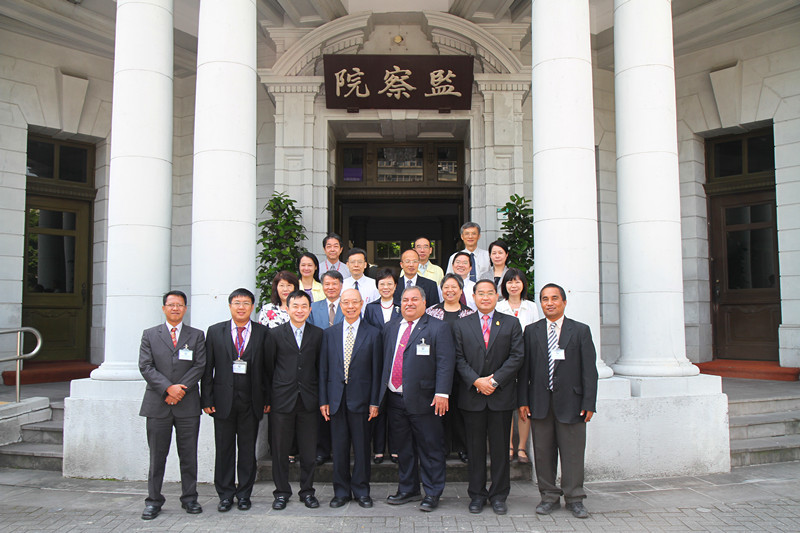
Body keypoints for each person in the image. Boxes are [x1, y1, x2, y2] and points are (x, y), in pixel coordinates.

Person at [517, 283, 598, 519]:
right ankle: (548, 497)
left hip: (573, 403)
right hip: (539, 402)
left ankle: (574, 498)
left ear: (564, 302)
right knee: (543, 453)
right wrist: (523, 400)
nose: (549, 303)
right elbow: (524, 370)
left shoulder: (580, 330)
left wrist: (589, 403)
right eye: (545, 299)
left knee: (573, 453)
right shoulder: (531, 331)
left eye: (554, 298)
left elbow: (589, 371)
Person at [378, 286, 455, 512]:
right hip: (395, 398)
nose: (409, 303)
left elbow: (445, 362)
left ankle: (432, 492)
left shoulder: (438, 327)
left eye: (414, 299)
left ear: (424, 302)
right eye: (405, 300)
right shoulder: (390, 327)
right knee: (403, 449)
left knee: (430, 448)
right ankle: (408, 489)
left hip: (426, 399)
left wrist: (442, 393)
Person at [452, 280, 524, 515]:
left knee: (501, 450)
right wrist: (476, 381)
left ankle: (499, 495)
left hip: (500, 396)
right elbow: (458, 358)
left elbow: (516, 356)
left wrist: (493, 381)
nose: (485, 297)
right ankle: (477, 494)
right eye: (480, 293)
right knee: (475, 451)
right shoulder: (461, 325)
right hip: (472, 396)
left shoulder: (511, 323)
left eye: (490, 293)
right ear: (473, 297)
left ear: (496, 296)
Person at [138, 290, 206, 520]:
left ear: (185, 308)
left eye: (179, 305)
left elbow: (199, 366)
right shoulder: (150, 335)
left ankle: (190, 498)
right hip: (158, 404)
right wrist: (168, 388)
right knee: (157, 456)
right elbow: (146, 366)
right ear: (164, 308)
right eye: (171, 305)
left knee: (188, 455)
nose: (175, 308)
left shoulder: (196, 335)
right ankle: (153, 500)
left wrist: (179, 391)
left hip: (187, 405)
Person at [201, 288, 269, 513]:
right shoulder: (215, 331)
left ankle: (244, 495)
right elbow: (207, 368)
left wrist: (266, 398)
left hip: (251, 401)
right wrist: (206, 399)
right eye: (237, 303)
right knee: (224, 450)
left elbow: (267, 369)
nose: (241, 307)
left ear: (252, 307)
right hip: (222, 402)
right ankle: (225, 494)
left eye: (246, 303)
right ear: (230, 306)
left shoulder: (262, 332)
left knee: (247, 451)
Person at [319, 289, 383, 508]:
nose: (350, 306)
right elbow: (323, 370)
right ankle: (341, 492)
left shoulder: (373, 334)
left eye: (354, 302)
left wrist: (375, 402)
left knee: (362, 448)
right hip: (336, 400)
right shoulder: (330, 334)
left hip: (362, 401)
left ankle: (362, 491)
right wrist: (323, 400)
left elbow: (377, 372)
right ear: (340, 305)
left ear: (361, 304)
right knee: (339, 449)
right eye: (345, 302)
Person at [265, 290, 323, 511]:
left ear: (310, 309)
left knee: (308, 451)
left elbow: (320, 368)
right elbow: (268, 368)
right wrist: (269, 398)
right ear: (287, 309)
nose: (300, 310)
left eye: (304, 306)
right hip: (282, 400)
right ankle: (281, 492)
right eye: (295, 306)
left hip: (308, 400)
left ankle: (307, 491)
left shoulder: (318, 334)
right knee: (280, 450)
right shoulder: (274, 334)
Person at [425, 273, 474, 464]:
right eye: (446, 287)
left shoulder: (470, 314)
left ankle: (463, 448)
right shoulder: (431, 312)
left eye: (454, 287)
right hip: (437, 370)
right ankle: (442, 448)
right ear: (441, 290)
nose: (450, 290)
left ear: (461, 290)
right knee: (440, 411)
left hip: (463, 371)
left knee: (461, 411)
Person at [495, 268, 539, 465]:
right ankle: (509, 446)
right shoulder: (499, 307)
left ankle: (521, 446)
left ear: (523, 285)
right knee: (507, 403)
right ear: (504, 285)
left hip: (527, 360)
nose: (513, 285)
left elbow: (536, 333)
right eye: (510, 282)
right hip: (504, 361)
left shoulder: (531, 307)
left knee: (523, 402)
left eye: (517, 282)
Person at [362, 268, 400, 465]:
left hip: (397, 361)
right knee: (377, 405)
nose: (386, 287)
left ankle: (395, 448)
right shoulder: (370, 308)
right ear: (377, 286)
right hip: (376, 360)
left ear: (395, 286)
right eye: (382, 284)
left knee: (395, 409)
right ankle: (378, 449)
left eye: (389, 283)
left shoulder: (402, 306)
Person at [307, 270, 345, 465]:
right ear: (322, 286)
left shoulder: (348, 305)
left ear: (341, 285)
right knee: (321, 407)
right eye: (327, 284)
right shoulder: (314, 308)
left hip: (343, 364)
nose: (331, 287)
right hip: (319, 363)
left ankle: (340, 450)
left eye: (334, 283)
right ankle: (322, 450)